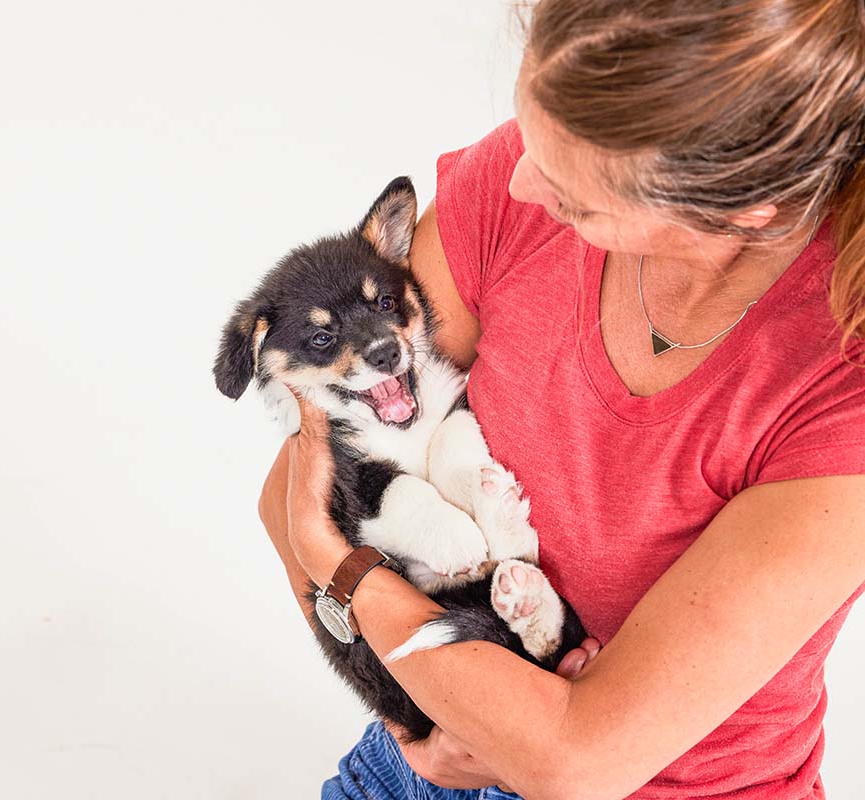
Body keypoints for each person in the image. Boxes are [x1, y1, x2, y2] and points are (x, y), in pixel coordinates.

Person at [256, 2, 865, 799]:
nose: (519, 180)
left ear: (743, 206)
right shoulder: (513, 185)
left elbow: (575, 763)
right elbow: (294, 491)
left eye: (575, 186)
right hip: (422, 757)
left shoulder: (841, 393)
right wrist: (413, 721)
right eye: (531, 133)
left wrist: (336, 564)